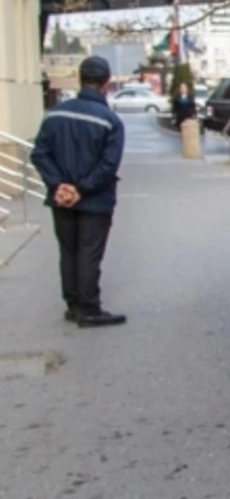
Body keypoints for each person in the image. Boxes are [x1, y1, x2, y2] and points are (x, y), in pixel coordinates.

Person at [30, 55, 127, 328]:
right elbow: (108, 165)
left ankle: (72, 305)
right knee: (89, 252)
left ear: (80, 79)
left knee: (69, 251)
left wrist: (58, 185)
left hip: (61, 199)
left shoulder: (56, 114)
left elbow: (40, 154)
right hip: (95, 200)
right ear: (106, 83)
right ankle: (89, 309)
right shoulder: (110, 121)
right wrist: (81, 188)